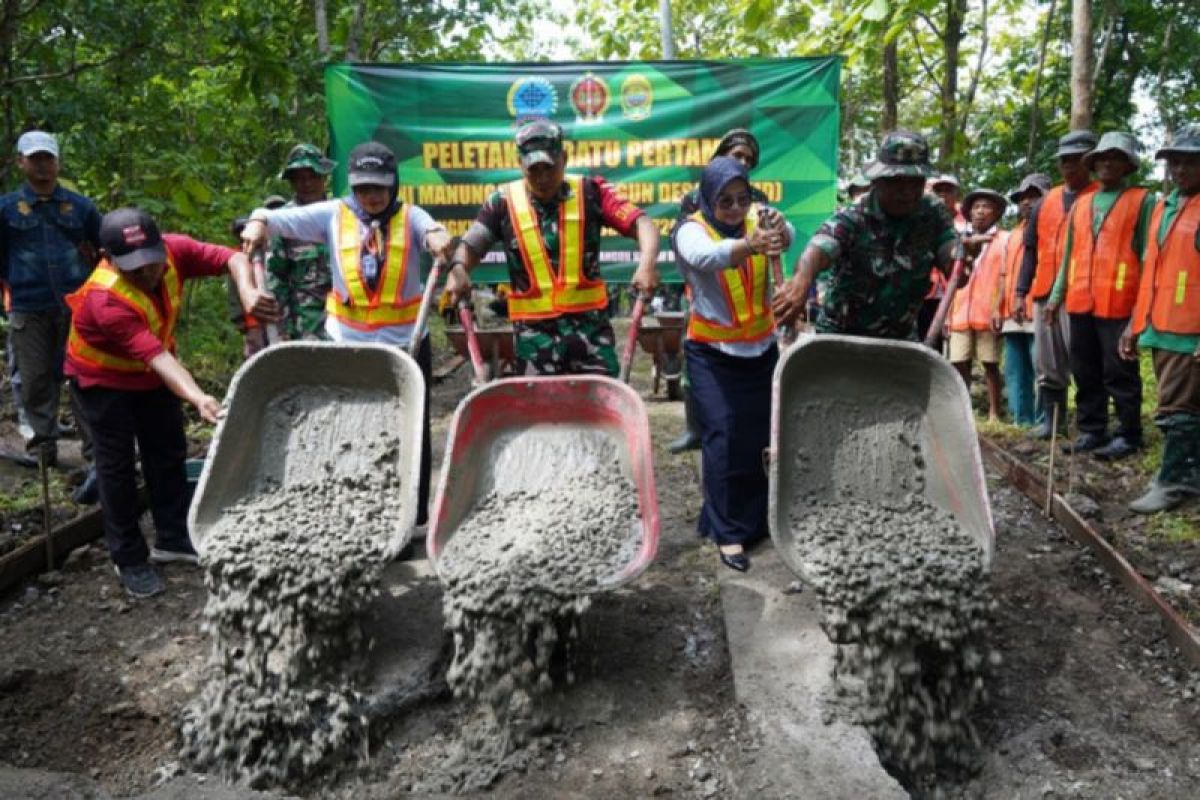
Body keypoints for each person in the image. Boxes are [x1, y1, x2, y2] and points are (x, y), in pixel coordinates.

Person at [65, 208, 277, 598]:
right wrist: (199, 397)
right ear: (106, 257)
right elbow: (159, 359)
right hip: (103, 380)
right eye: (134, 268)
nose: (147, 273)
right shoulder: (105, 300)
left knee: (167, 450)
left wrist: (247, 289)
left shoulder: (174, 251)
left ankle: (173, 536)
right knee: (117, 468)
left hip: (152, 375)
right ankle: (128, 557)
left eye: (151, 261)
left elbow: (231, 256)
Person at [242, 140, 453, 530]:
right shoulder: (333, 215)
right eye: (362, 188)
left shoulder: (411, 217)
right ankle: (356, 512)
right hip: (349, 346)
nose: (371, 197)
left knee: (412, 431)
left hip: (404, 344)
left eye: (378, 187)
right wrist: (258, 221)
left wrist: (438, 236)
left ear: (394, 185)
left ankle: (412, 517)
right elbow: (279, 221)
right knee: (352, 428)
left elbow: (432, 231)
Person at [446, 120, 659, 376]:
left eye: (549, 167)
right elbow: (471, 245)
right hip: (534, 343)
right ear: (520, 165)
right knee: (540, 413)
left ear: (565, 158)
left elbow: (642, 223)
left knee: (601, 410)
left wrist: (647, 265)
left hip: (590, 338)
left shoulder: (592, 192)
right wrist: (458, 270)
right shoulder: (502, 203)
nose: (543, 178)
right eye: (533, 170)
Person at [673, 157, 791, 572]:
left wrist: (779, 228)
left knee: (759, 438)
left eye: (743, 199)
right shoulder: (689, 229)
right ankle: (727, 533)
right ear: (708, 199)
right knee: (722, 438)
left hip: (761, 350)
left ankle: (755, 520)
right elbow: (705, 258)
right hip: (712, 353)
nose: (736, 209)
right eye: (725, 201)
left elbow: (788, 236)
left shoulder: (761, 218)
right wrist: (749, 245)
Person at [774, 131, 978, 339]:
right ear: (877, 181)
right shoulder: (854, 215)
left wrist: (958, 258)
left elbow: (949, 251)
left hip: (900, 339)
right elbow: (818, 249)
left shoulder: (933, 211)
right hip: (841, 336)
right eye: (897, 182)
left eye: (915, 182)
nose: (907, 192)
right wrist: (802, 279)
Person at [1046, 132, 1155, 460]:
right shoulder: (1082, 203)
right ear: (1093, 164)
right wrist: (1055, 297)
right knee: (1085, 369)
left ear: (1127, 165)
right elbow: (1068, 255)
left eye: (1115, 158)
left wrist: (1141, 310)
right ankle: (1092, 429)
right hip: (1081, 300)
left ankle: (1128, 433)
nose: (1107, 163)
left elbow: (1150, 256)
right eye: (1101, 158)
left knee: (1119, 370)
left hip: (1120, 301)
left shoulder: (1142, 201)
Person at [0, 131, 101, 482]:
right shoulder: (7, 208)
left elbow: (103, 250)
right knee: (35, 380)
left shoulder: (80, 207)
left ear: (58, 162)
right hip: (28, 305)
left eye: (48, 158)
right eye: (35, 158)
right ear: (21, 162)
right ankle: (43, 450)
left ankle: (95, 451)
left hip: (78, 307)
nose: (43, 166)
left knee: (84, 377)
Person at [672, 129, 769, 453]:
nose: (741, 162)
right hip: (709, 296)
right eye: (735, 154)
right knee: (698, 372)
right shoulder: (695, 199)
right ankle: (694, 427)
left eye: (747, 160)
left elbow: (778, 236)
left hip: (752, 313)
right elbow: (693, 250)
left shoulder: (759, 203)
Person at [1123, 125, 1200, 512]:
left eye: (1190, 161)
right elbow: (1151, 269)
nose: (1181, 169)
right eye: (1175, 162)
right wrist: (1136, 324)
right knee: (1184, 404)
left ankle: (1174, 483)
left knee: (1176, 407)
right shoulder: (1164, 208)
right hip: (1161, 323)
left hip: (1190, 329)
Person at [1014, 130, 1101, 439]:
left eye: (1076, 160)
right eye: (1064, 161)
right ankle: (1053, 421)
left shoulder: (1099, 197)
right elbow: (1030, 252)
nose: (1069, 167)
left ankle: (1093, 425)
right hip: (1043, 291)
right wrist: (1020, 292)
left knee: (1084, 360)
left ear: (1090, 162)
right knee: (1047, 360)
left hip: (1083, 293)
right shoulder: (1044, 203)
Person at [994, 173, 1052, 427]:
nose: (1027, 203)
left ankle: (1044, 420)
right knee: (1015, 370)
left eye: (1034, 196)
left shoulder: (1052, 229)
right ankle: (1021, 420)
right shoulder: (1013, 234)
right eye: (1022, 199)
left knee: (1042, 367)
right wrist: (998, 306)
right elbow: (1003, 272)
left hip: (1039, 308)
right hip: (1012, 312)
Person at [947, 188, 1007, 421]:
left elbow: (1005, 274)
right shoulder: (959, 239)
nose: (980, 212)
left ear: (996, 213)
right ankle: (964, 409)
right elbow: (950, 277)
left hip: (987, 311)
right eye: (976, 207)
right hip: (961, 310)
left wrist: (999, 308)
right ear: (969, 212)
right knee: (959, 362)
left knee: (990, 362)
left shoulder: (1003, 240)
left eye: (986, 207)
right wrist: (947, 315)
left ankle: (994, 412)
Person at [268, 144, 335, 340]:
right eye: (299, 178)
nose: (306, 184)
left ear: (324, 177)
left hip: (347, 321)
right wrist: (282, 331)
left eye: (312, 176)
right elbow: (275, 280)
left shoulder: (343, 214)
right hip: (305, 325)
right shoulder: (281, 222)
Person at [918, 174, 968, 348]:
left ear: (956, 195)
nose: (943, 195)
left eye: (948, 191)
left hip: (955, 291)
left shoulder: (965, 223)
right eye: (939, 191)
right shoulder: (922, 217)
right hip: (925, 290)